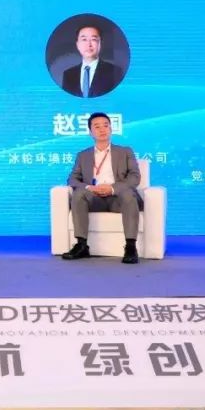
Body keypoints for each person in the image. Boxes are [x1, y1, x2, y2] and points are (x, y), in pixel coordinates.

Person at [62, 112, 142, 263]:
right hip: (95, 199)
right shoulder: (83, 155)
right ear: (90, 132)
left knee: (127, 193)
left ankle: (131, 247)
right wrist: (89, 188)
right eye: (97, 127)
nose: (102, 129)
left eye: (106, 125)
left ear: (111, 129)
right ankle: (81, 245)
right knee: (79, 193)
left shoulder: (125, 151)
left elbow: (135, 177)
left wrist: (112, 188)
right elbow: (72, 179)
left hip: (118, 198)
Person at [60, 24, 122, 98]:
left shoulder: (114, 72)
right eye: (84, 39)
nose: (89, 44)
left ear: (100, 43)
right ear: (77, 45)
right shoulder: (68, 74)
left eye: (93, 39)